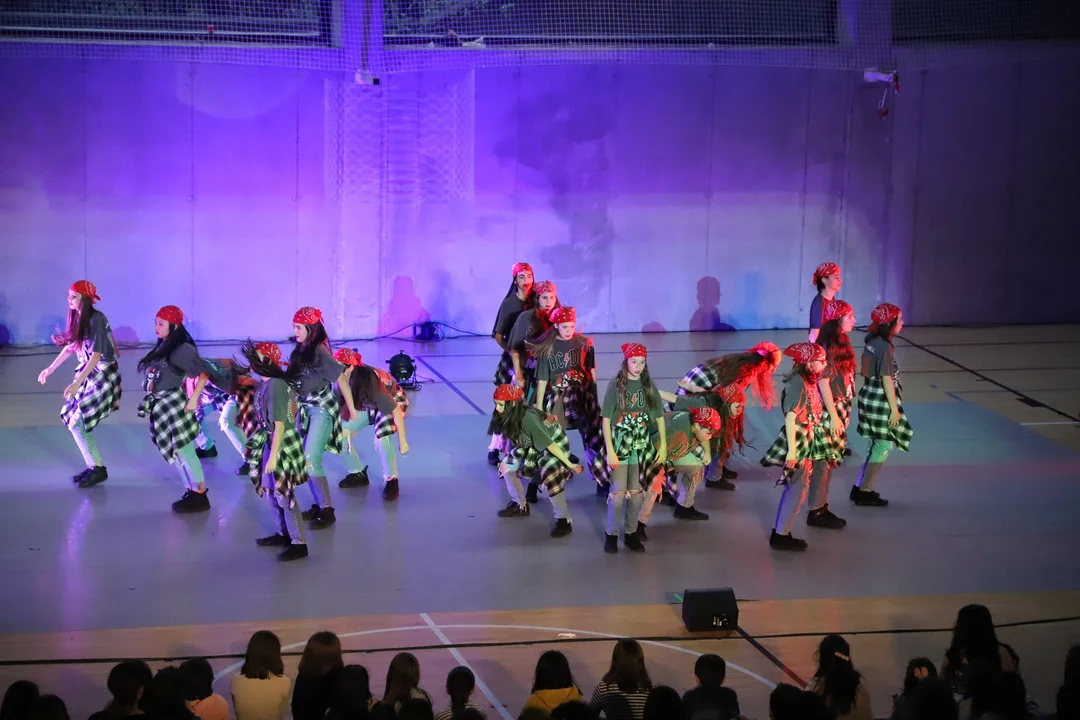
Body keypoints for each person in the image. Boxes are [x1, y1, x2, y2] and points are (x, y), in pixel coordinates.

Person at [38, 280, 121, 488]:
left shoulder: (96, 319)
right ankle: (94, 466)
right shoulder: (78, 317)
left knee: (78, 423)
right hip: (90, 372)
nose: (69, 299)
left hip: (103, 374)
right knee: (74, 422)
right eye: (69, 295)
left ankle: (97, 468)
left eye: (74, 296)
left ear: (85, 299)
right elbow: (71, 346)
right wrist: (50, 368)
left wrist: (77, 383)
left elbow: (96, 356)